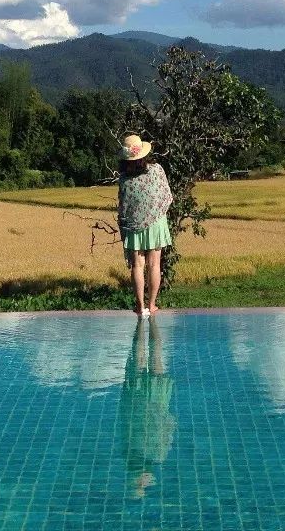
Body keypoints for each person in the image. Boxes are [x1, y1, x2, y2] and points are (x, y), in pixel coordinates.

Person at [117, 317, 176, 498]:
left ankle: (145, 321)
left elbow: (168, 427)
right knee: (148, 356)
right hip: (142, 400)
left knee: (151, 356)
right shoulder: (143, 455)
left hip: (150, 401)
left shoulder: (154, 456)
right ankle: (147, 321)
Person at [116, 134, 173, 318]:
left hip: (133, 226)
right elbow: (166, 196)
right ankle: (152, 304)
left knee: (137, 266)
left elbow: (123, 207)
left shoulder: (124, 180)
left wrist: (124, 226)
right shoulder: (157, 170)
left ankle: (140, 306)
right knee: (154, 264)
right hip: (156, 222)